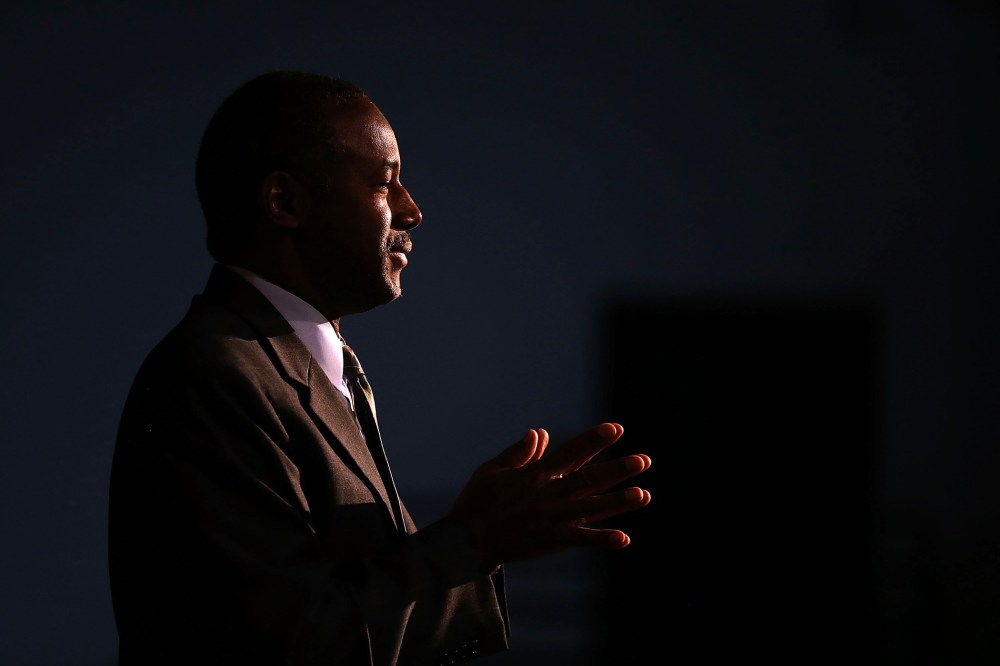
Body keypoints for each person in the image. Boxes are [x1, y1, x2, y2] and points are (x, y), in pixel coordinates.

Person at [108, 69, 652, 665]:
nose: (412, 211)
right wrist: (474, 539)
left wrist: (483, 541)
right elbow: (292, 643)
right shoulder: (216, 377)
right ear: (285, 202)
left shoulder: (311, 362)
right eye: (384, 184)